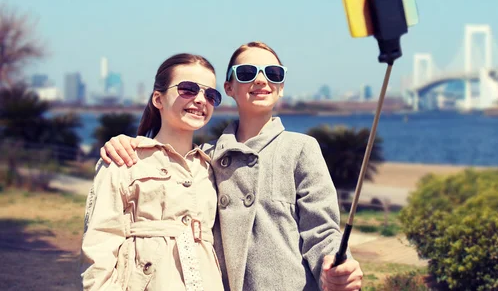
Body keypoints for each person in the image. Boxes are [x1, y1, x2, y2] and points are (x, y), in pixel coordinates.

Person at [100, 41, 364, 291]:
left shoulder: (301, 148)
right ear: (229, 88)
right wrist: (127, 144)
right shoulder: (204, 158)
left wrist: (335, 268)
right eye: (247, 72)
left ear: (281, 86)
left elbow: (321, 230)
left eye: (273, 73)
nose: (261, 80)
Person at [81, 53, 225, 291]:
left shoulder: (213, 168)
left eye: (211, 95)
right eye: (188, 89)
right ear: (158, 99)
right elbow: (99, 246)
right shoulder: (124, 160)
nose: (201, 100)